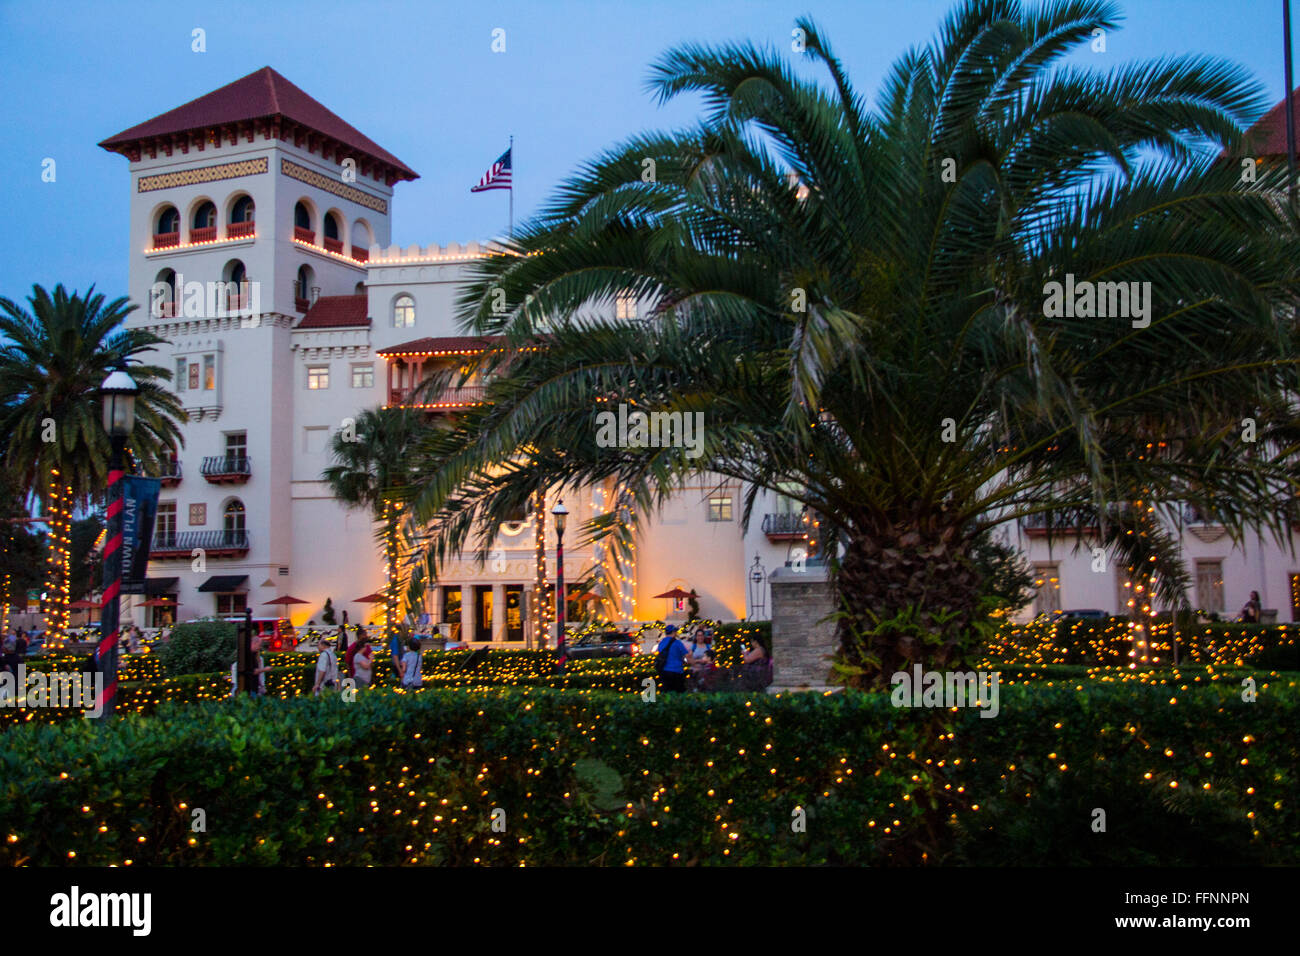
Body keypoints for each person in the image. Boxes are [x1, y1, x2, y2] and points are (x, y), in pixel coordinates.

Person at [654, 624, 690, 693]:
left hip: (665, 671)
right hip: (677, 671)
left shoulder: (661, 643)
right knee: (679, 693)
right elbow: (686, 656)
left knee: (667, 693)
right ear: (673, 632)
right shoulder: (677, 643)